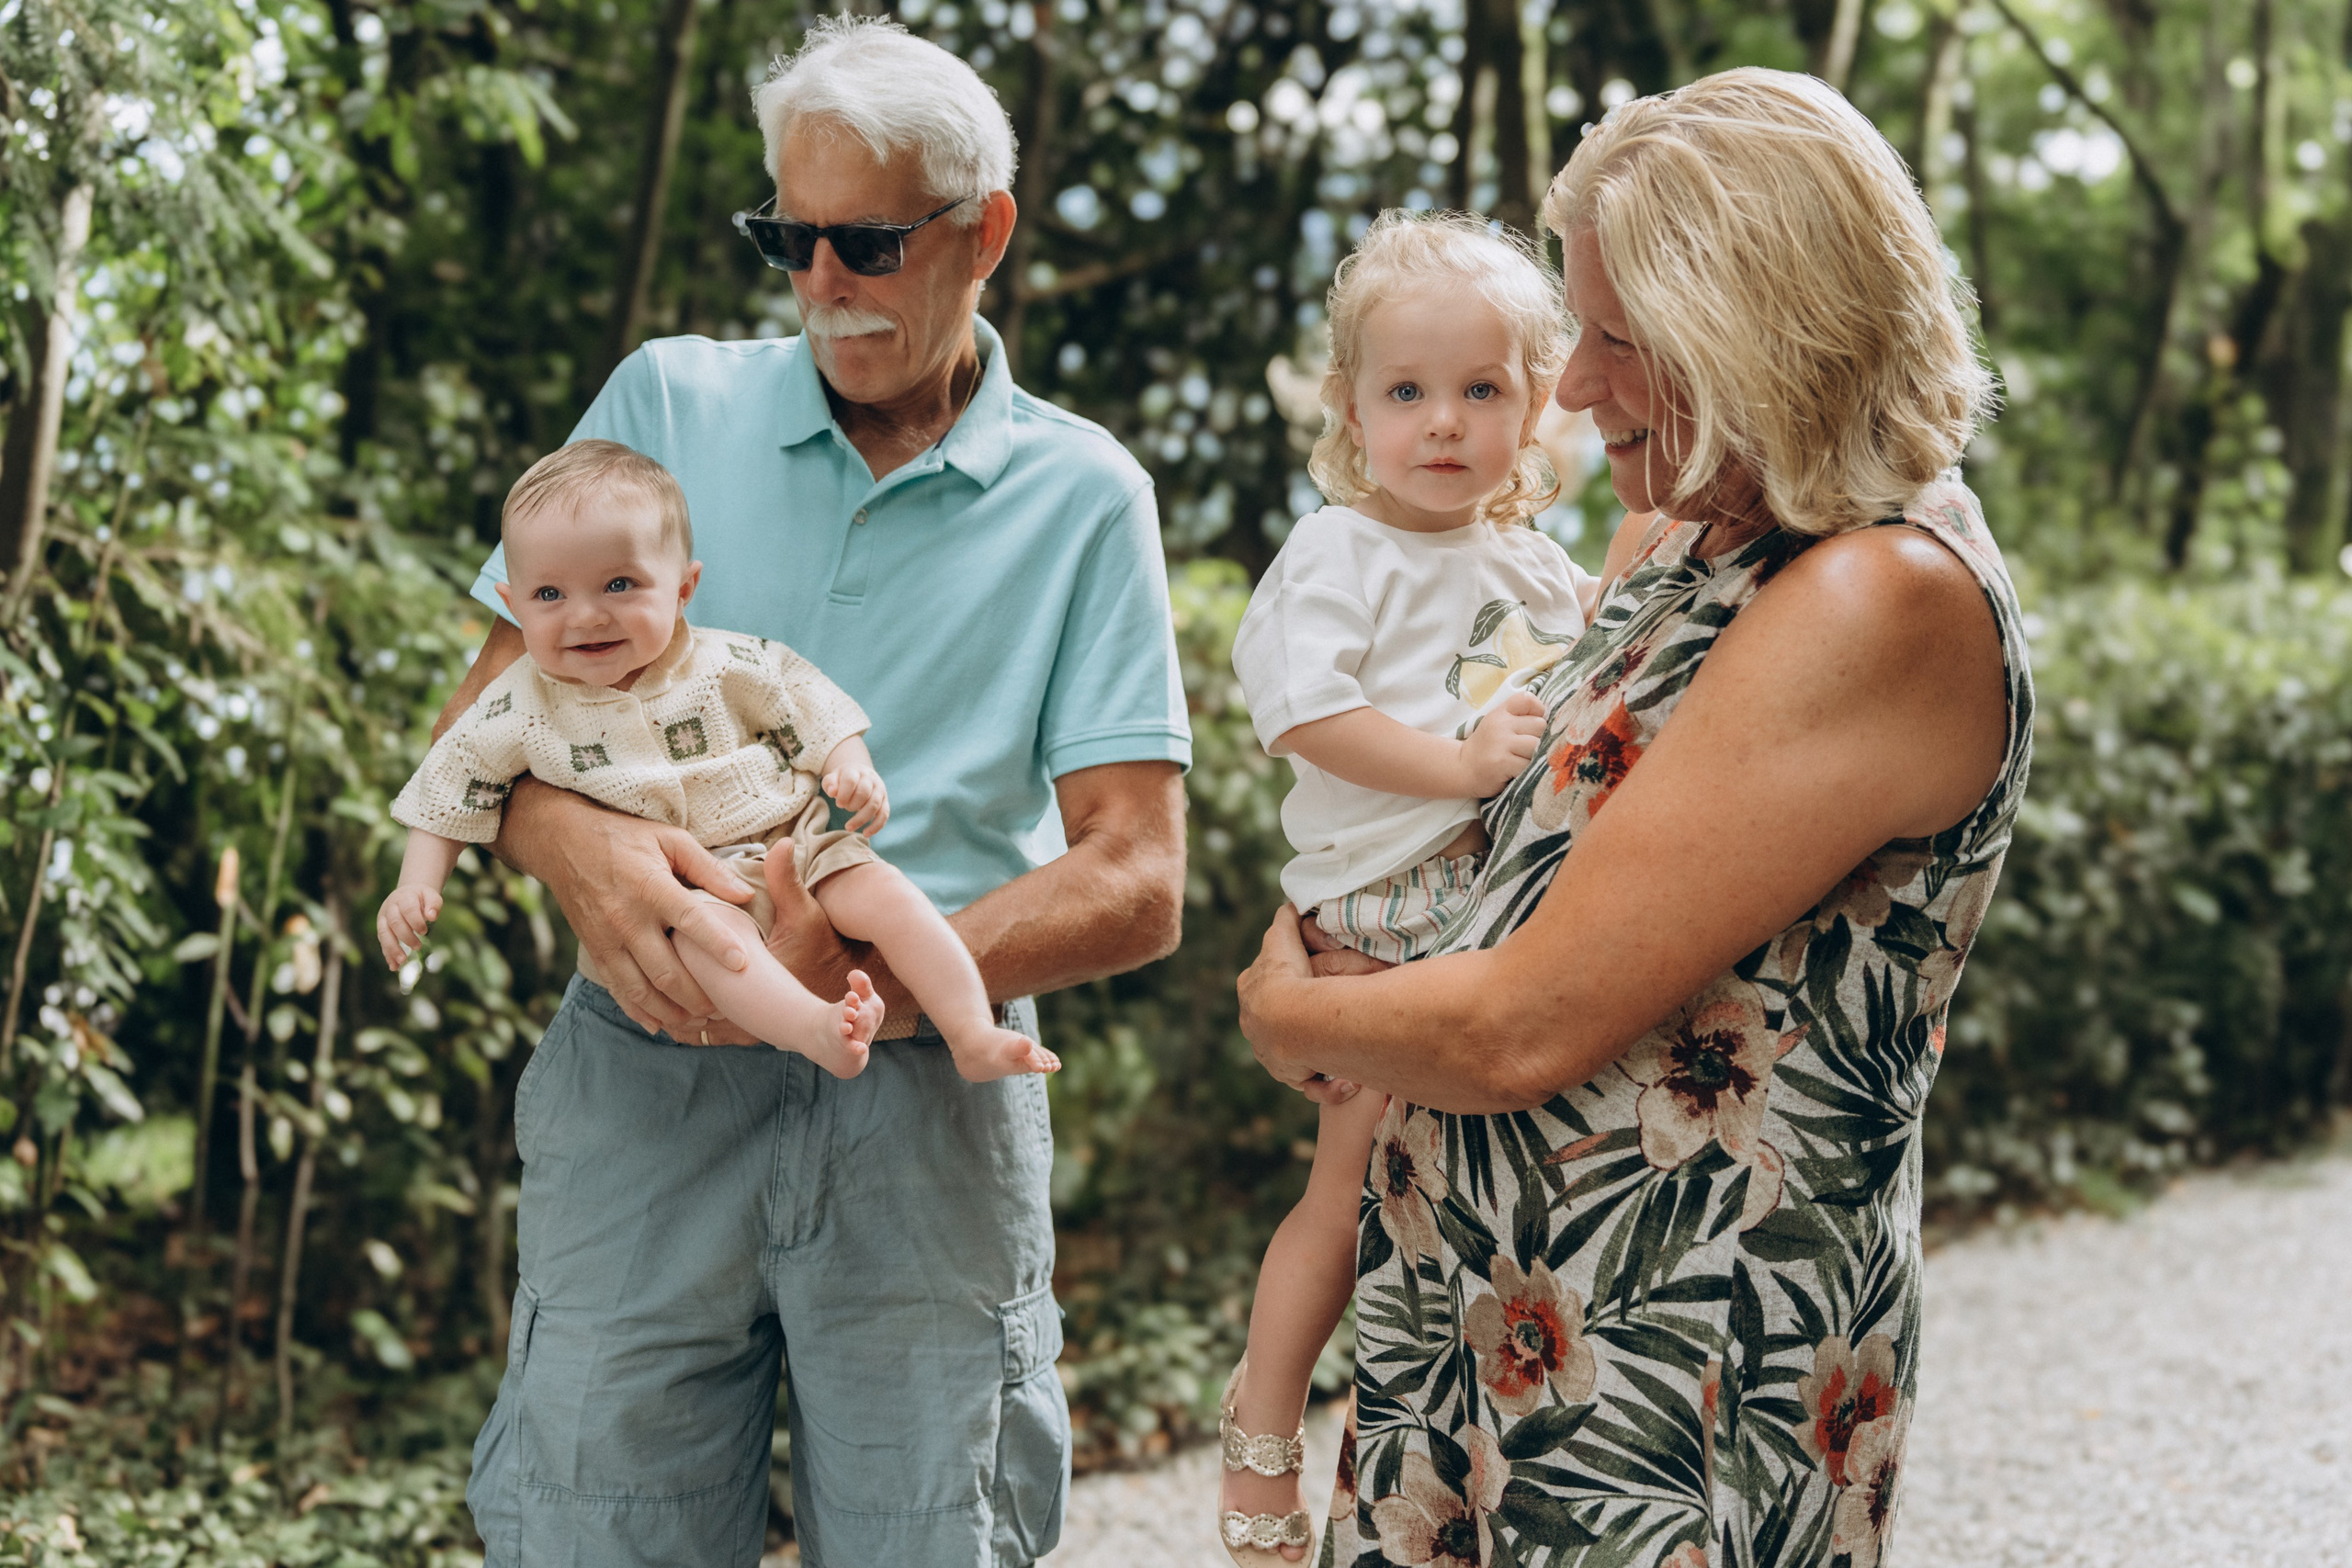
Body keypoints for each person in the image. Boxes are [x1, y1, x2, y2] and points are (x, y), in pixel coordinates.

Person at [1237, 69, 2026, 1568]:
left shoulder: (1875, 593)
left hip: (1661, 1359)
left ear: (1757, 333)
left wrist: (1291, 1015)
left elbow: (1519, 1029)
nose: (1571, 391)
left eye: (1610, 339)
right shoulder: (1686, 520)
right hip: (1490, 1301)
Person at [446, 19, 1190, 1567]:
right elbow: (482, 732)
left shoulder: (1085, 493)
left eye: (865, 241)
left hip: (929, 1111)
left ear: (982, 232)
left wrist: (881, 975)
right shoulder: (662, 404)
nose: (822, 283)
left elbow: (1136, 875)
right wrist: (578, 848)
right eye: (791, 238)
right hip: (644, 1081)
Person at [1215, 211, 1597, 1565]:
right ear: (1351, 407)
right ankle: (1264, 1426)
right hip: (1380, 904)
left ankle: (1461, 1443)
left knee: (1456, 1200)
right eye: (1408, 391)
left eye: (1483, 390)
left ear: (1540, 404)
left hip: (1493, 908)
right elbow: (1301, 711)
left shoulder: (1540, 564)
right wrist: (1453, 764)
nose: (1445, 424)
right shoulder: (1340, 552)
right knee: (1347, 1176)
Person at [377, 441, 1057, 1082]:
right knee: (714, 945)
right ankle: (816, 1029)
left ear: (683, 587)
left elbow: (808, 702)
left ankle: (970, 1032)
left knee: (892, 898)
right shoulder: (520, 702)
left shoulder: (724, 661)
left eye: (619, 584)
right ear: (512, 604)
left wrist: (850, 763)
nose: (585, 616)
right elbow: (457, 775)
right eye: (549, 596)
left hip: (795, 840)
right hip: (677, 893)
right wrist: (417, 883)